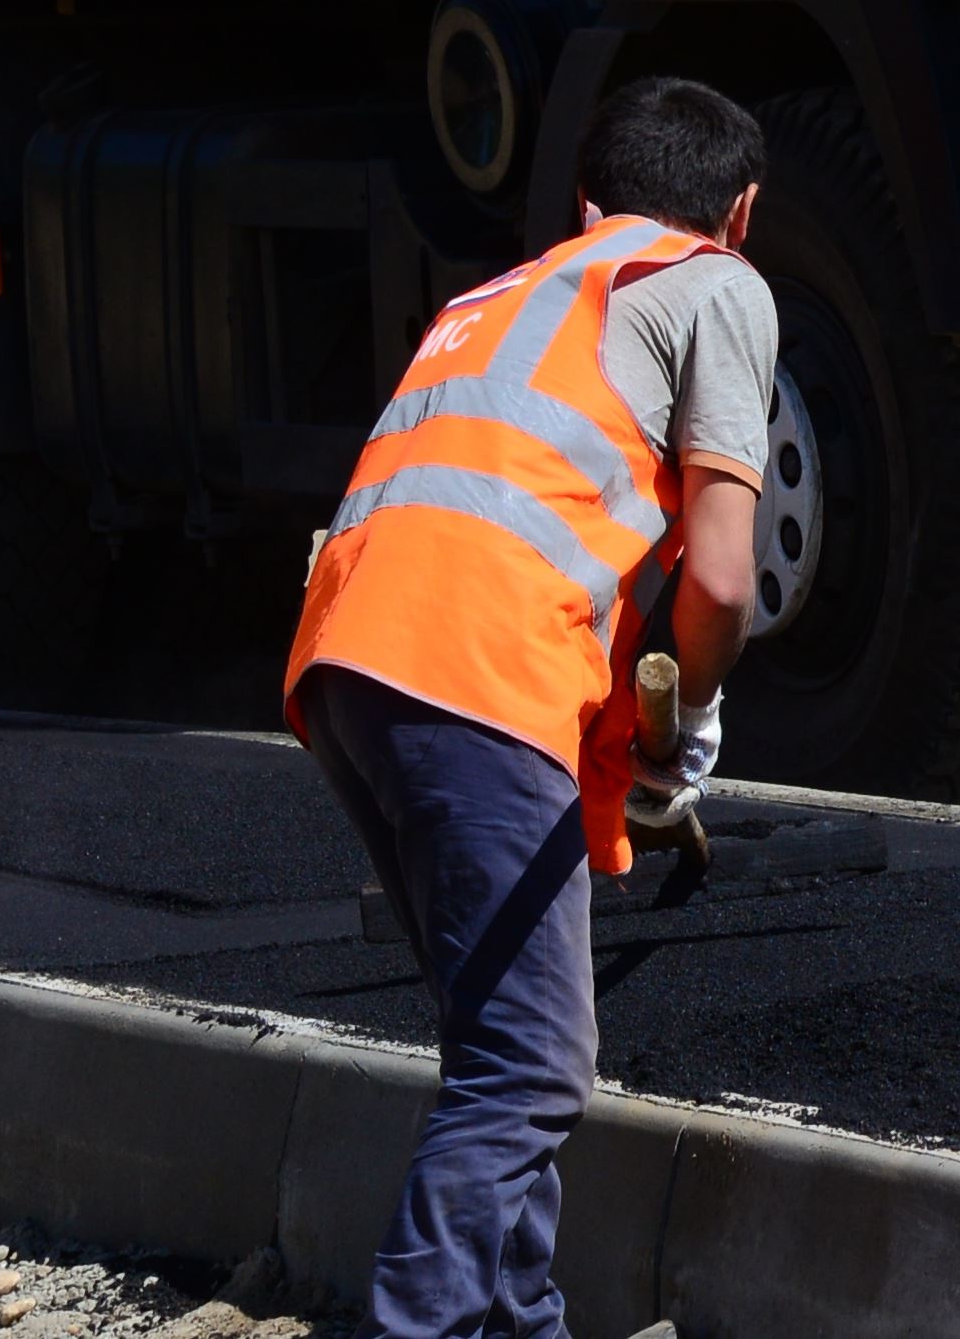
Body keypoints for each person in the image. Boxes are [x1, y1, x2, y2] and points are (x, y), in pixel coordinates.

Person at [283, 80, 785, 1339]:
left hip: (349, 661)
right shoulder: (716, 283)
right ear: (741, 211)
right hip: (474, 669)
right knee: (531, 1066)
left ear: (586, 202)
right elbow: (723, 577)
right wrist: (698, 709)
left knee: (499, 1042)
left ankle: (521, 1318)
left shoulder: (494, 296)